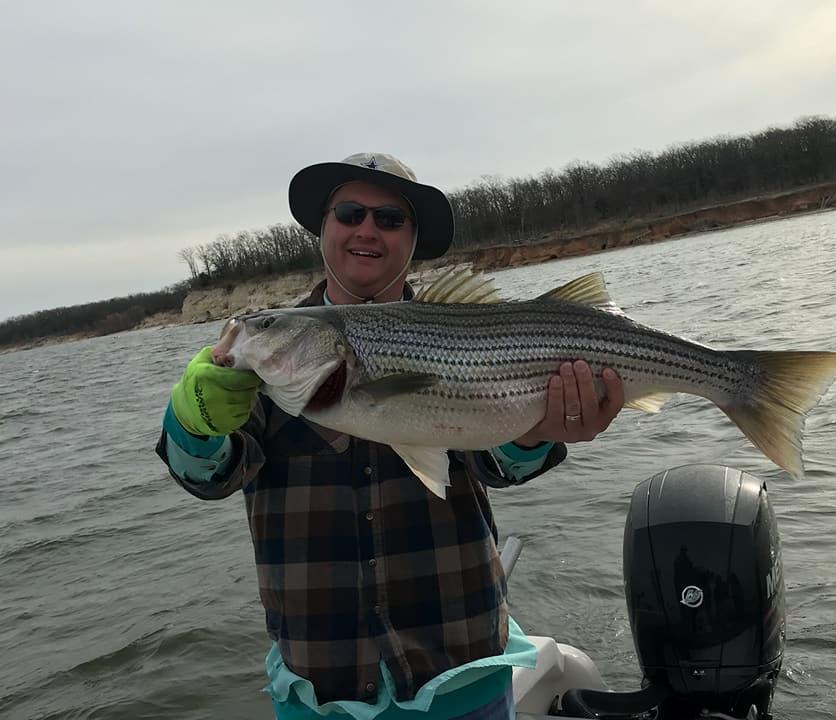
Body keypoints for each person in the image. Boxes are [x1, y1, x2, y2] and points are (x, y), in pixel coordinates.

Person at [157, 153, 625, 720]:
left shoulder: (462, 327)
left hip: (462, 674)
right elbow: (208, 477)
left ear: (413, 238)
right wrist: (193, 422)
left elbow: (499, 467)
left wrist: (538, 434)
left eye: (390, 218)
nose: (367, 229)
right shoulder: (270, 350)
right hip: (321, 688)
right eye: (349, 212)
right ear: (323, 227)